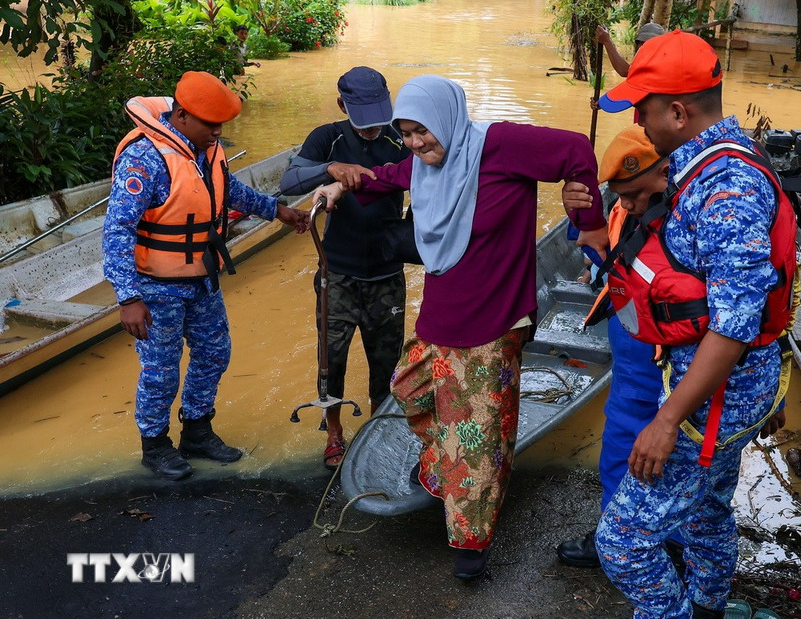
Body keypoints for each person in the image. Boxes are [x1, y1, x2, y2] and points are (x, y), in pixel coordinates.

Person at [312, 75, 609, 581]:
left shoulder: (500, 144)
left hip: (494, 316)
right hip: (444, 312)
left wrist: (589, 220)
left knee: (478, 432)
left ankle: (473, 544)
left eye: (422, 131)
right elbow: (392, 173)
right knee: (410, 387)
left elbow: (576, 150)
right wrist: (343, 182)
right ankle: (443, 465)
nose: (415, 142)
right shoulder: (428, 165)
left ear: (446, 117)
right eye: (406, 133)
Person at [593, 31, 794, 618]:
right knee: (706, 513)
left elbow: (734, 323)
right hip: (732, 387)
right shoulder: (714, 159)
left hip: (714, 400)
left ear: (678, 113)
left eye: (643, 108)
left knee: (623, 542)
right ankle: (707, 606)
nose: (637, 120)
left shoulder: (725, 188)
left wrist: (666, 420)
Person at [103, 70, 310, 481]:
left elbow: (228, 189)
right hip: (156, 287)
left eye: (221, 125)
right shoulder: (145, 159)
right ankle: (155, 445)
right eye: (210, 124)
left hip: (202, 277)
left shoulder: (207, 151)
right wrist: (128, 297)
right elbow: (117, 230)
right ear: (181, 115)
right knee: (161, 370)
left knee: (215, 353)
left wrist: (277, 210)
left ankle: (197, 431)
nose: (217, 132)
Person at [555, 126, 675, 569]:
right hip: (631, 344)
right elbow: (605, 258)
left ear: (666, 172)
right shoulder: (624, 208)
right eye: (621, 195)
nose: (628, 203)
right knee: (622, 439)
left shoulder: (698, 212)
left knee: (682, 450)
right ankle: (615, 532)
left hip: (680, 352)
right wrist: (578, 218)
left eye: (635, 194)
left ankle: (675, 543)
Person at [279, 66, 411, 470]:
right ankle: (333, 431)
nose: (372, 130)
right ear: (342, 106)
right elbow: (288, 182)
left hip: (387, 272)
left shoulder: (400, 137)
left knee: (386, 362)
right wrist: (330, 169)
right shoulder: (327, 138)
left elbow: (431, 177)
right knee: (331, 358)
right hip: (337, 273)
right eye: (364, 122)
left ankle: (379, 432)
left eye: (378, 119)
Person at [596, 22, 666, 79]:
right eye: (642, 42)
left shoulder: (664, 63)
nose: (645, 46)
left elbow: (625, 71)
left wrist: (607, 42)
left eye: (650, 43)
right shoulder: (642, 59)